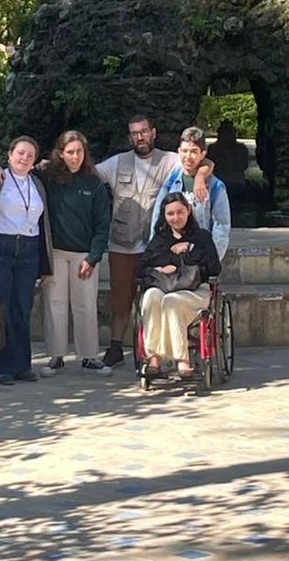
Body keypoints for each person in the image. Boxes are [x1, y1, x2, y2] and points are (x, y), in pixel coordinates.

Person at [95, 113, 212, 368]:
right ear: (130, 137)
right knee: (121, 299)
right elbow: (87, 173)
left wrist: (201, 175)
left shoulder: (169, 160)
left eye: (144, 131)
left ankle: (155, 353)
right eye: (135, 133)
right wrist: (52, 164)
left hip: (159, 245)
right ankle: (116, 347)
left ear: (153, 132)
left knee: (158, 295)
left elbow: (202, 161)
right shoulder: (117, 163)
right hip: (122, 244)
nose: (140, 136)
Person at [0, 136, 54, 385]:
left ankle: (21, 365)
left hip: (28, 251)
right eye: (20, 153)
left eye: (30, 155)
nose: (24, 158)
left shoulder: (37, 184)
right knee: (0, 309)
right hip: (0, 249)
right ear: (9, 155)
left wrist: (45, 264)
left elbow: (44, 225)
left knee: (22, 310)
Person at [39, 130, 113, 377]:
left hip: (84, 255)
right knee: (54, 304)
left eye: (79, 151)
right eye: (70, 152)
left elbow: (102, 224)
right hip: (56, 254)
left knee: (85, 306)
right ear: (61, 153)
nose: (75, 157)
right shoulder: (48, 177)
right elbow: (21, 169)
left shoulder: (94, 182)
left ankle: (90, 356)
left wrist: (93, 257)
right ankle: (56, 356)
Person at [138, 192, 221, 378]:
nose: (175, 218)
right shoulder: (159, 239)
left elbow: (214, 267)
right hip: (165, 287)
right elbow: (142, 267)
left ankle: (182, 360)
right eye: (170, 214)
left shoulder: (202, 237)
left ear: (188, 211)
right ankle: (153, 358)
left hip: (195, 291)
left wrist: (189, 249)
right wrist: (165, 264)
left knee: (171, 301)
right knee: (151, 296)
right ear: (164, 215)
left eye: (179, 212)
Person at [150, 126, 232, 261]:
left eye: (194, 152)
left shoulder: (215, 186)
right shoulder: (170, 182)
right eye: (185, 151)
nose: (188, 157)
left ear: (203, 154)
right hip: (172, 255)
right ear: (179, 152)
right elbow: (157, 219)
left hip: (200, 255)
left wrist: (212, 259)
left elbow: (221, 226)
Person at [207, 119, 250, 194]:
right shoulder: (213, 148)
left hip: (236, 179)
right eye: (225, 132)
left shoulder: (241, 148)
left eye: (229, 132)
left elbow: (244, 165)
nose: (227, 135)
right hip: (218, 179)